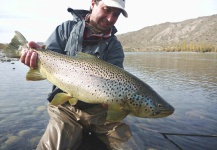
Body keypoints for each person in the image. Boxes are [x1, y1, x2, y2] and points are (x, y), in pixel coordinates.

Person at [21, 0, 135, 149]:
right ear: (93, 4)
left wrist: (116, 104)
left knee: (131, 147)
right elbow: (49, 53)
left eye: (116, 14)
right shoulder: (66, 29)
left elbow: (117, 82)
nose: (110, 19)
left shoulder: (115, 47)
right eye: (107, 10)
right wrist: (36, 56)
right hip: (65, 107)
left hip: (100, 112)